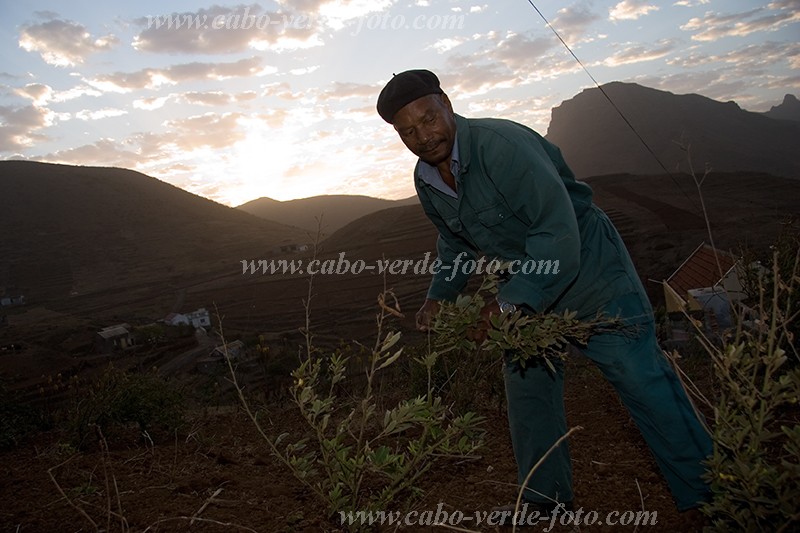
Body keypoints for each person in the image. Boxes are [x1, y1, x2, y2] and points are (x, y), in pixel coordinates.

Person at [376, 69, 712, 519]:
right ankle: (545, 501)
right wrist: (440, 294)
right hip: (524, 283)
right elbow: (455, 242)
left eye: (428, 118)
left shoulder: (503, 147)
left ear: (447, 104)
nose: (423, 135)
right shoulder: (427, 179)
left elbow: (557, 231)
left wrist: (508, 303)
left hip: (589, 269)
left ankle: (714, 496)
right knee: (528, 388)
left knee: (639, 376)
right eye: (408, 131)